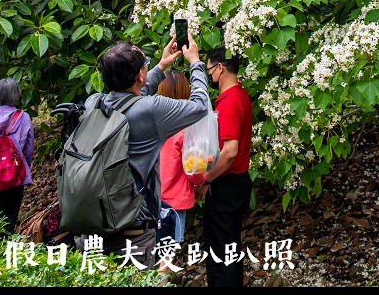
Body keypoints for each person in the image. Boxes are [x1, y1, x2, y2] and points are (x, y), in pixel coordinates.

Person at [74, 29, 210, 269]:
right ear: (139, 75)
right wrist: (195, 63)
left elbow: (129, 100)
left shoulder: (94, 103)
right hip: (133, 228)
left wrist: (160, 67)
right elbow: (199, 106)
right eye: (145, 64)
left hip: (92, 222)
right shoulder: (151, 110)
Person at [198, 47, 253, 288]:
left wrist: (207, 178)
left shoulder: (230, 102)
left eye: (209, 70)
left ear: (220, 67)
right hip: (237, 183)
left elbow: (229, 152)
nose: (209, 76)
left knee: (221, 252)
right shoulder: (240, 95)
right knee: (228, 246)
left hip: (227, 185)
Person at [156, 69, 207, 245]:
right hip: (175, 201)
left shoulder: (152, 124)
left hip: (151, 198)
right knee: (168, 254)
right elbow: (193, 169)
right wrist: (203, 181)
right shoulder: (186, 128)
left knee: (153, 249)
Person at [0, 78, 34, 235]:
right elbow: (28, 149)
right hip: (13, 176)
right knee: (8, 220)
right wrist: (24, 167)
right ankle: (4, 252)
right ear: (16, 95)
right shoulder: (23, 117)